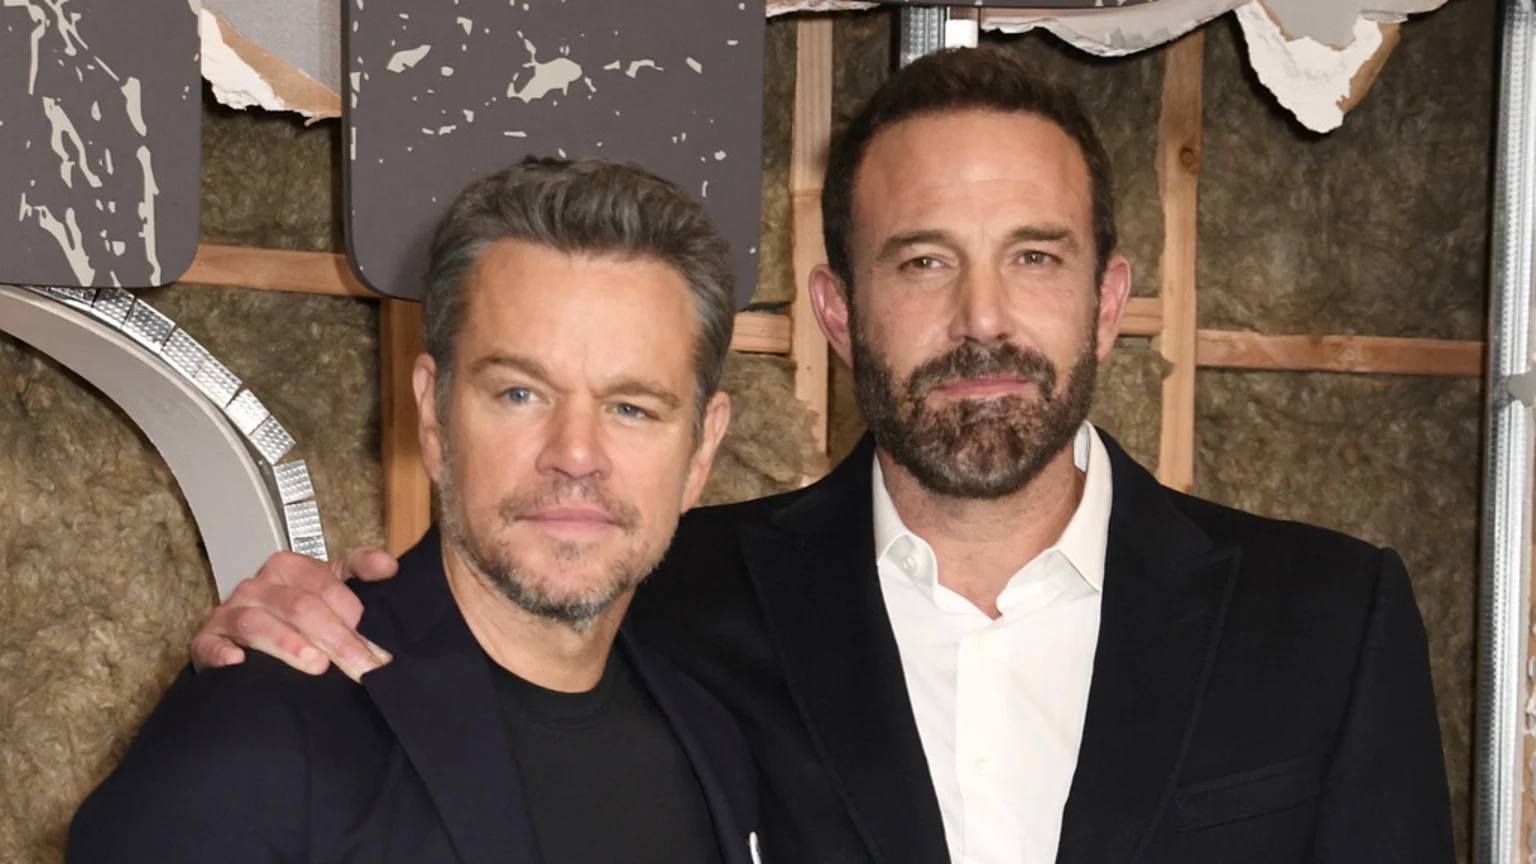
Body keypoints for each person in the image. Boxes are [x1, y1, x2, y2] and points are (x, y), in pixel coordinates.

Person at [187, 46, 1455, 863]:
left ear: (1110, 296)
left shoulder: (1328, 622)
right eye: (921, 262)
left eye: (1035, 257)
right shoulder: (667, 596)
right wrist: (310, 622)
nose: (984, 321)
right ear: (837, 310)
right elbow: (489, 634)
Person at [68, 158, 766, 864]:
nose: (576, 454)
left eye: (630, 408)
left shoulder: (721, 741)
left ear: (702, 449)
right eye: (520, 393)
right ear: (433, 414)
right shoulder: (260, 731)